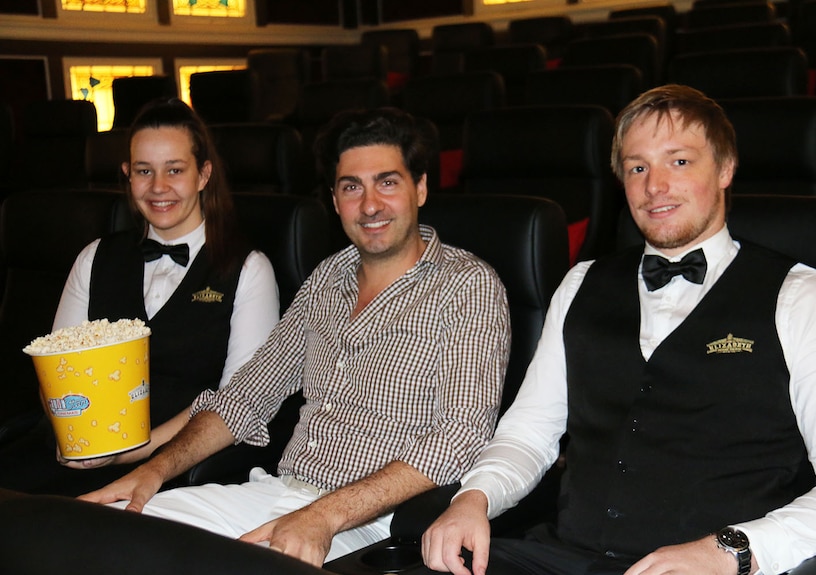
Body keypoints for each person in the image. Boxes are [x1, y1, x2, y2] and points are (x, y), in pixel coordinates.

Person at [422, 84, 816, 575]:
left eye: (679, 162)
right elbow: (529, 432)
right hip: (564, 557)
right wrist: (474, 497)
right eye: (637, 167)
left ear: (725, 169)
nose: (654, 186)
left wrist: (730, 550)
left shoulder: (800, 296)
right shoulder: (580, 283)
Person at [79, 107, 512, 567]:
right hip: (277, 492)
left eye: (387, 182)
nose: (369, 206)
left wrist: (324, 515)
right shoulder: (328, 276)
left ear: (420, 187)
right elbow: (245, 397)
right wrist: (153, 471)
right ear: (333, 198)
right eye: (351, 188)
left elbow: (462, 434)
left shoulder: (469, 285)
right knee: (108, 535)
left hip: (373, 522)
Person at [0, 98, 280, 496]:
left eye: (175, 170)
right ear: (128, 176)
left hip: (175, 463)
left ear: (204, 175)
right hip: (76, 450)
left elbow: (236, 399)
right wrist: (73, 437)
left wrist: (131, 452)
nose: (158, 187)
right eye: (144, 171)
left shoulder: (249, 269)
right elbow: (57, 369)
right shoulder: (94, 257)